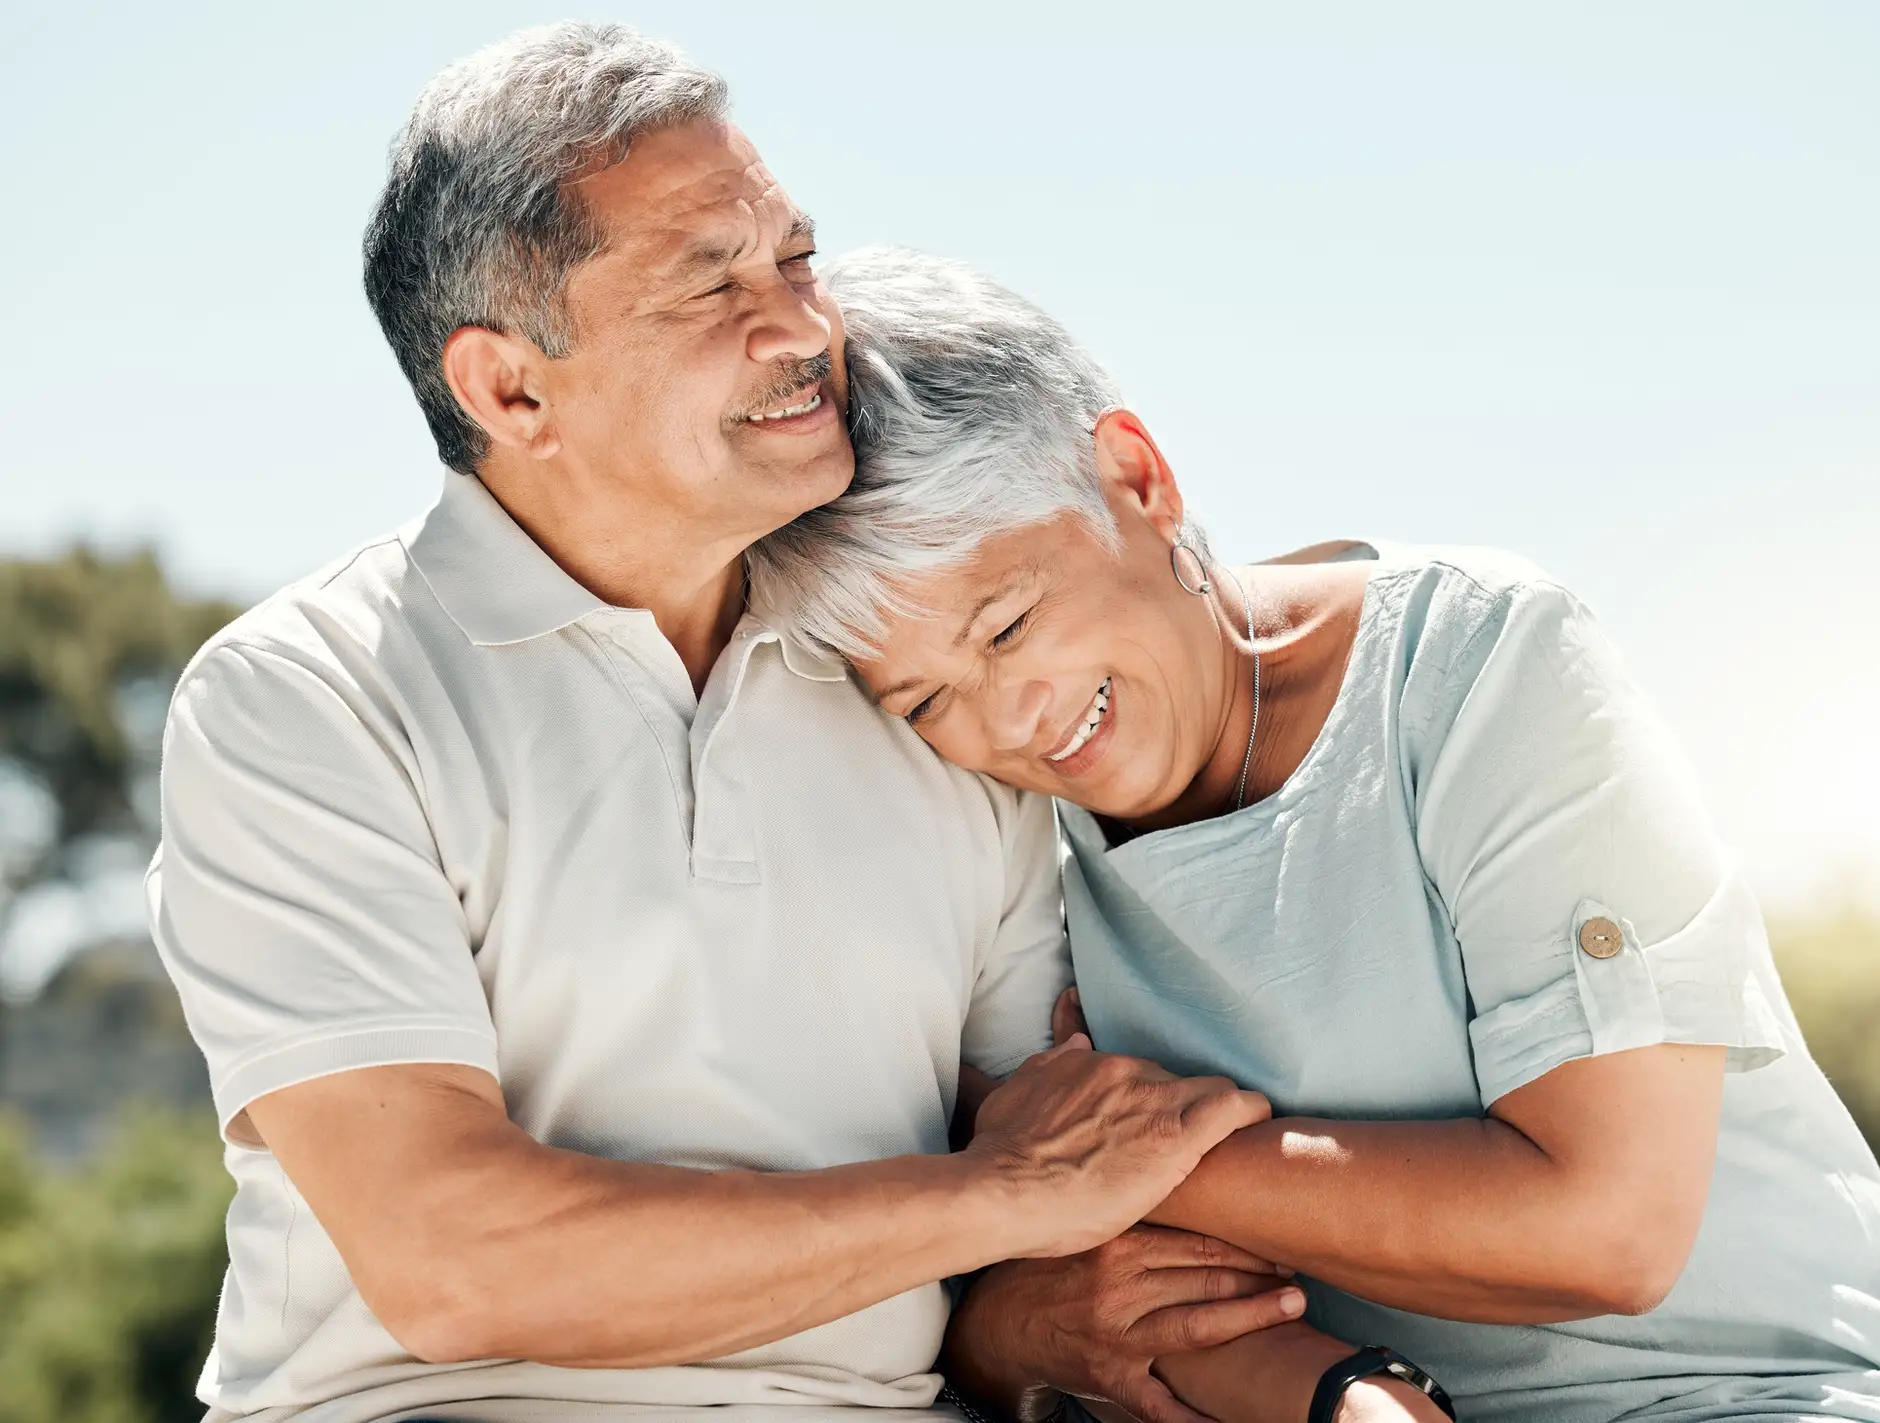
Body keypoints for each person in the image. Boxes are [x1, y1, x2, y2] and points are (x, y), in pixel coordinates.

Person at [144, 26, 1336, 1423]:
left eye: (795, 258)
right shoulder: (304, 696)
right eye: (711, 283)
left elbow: (1075, 1158)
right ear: (509, 388)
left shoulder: (922, 687)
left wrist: (1353, 1389)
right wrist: (989, 1197)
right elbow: (457, 1260)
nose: (805, 328)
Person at [748, 246, 1880, 1423]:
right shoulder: (994, 840)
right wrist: (1015, 1278)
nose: (1003, 719)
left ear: (1137, 477)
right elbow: (1078, 1292)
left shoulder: (1484, 662)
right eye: (921, 700)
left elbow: (1605, 1228)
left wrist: (1064, 1164)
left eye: (1009, 624)